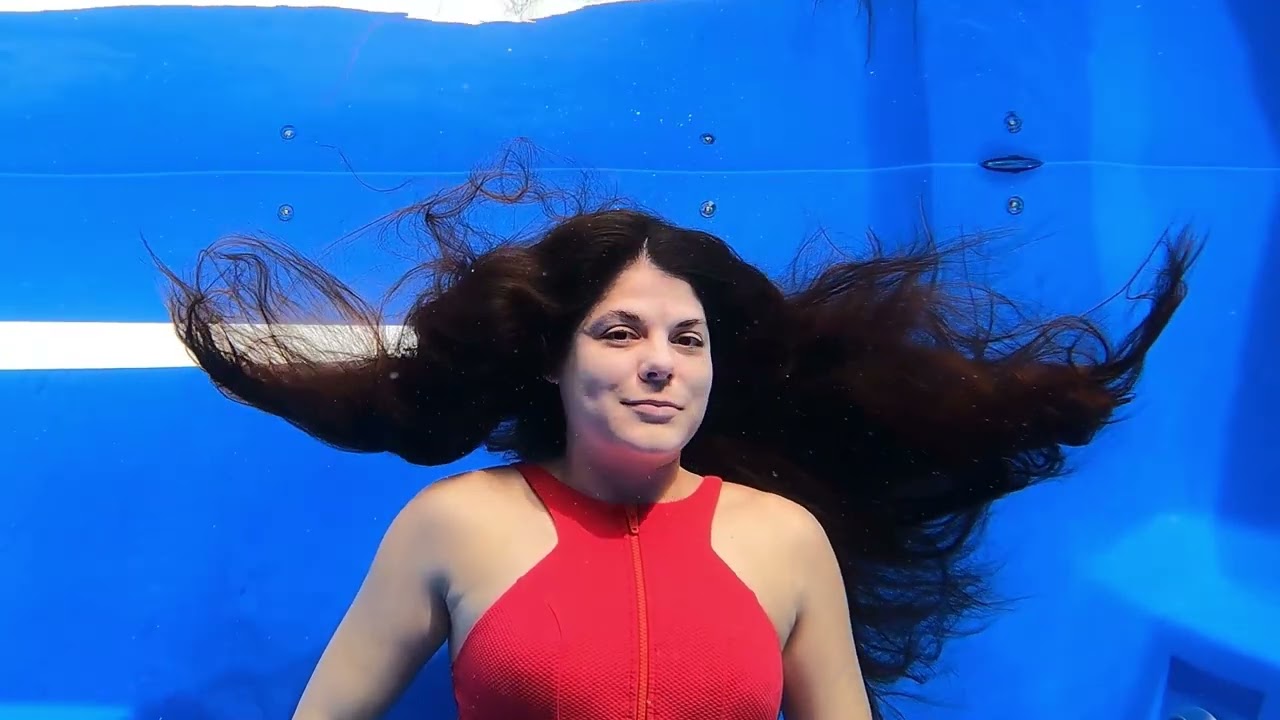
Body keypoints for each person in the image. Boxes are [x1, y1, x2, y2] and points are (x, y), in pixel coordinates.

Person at [154, 142, 1200, 720]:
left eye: (687, 339)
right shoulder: (453, 525)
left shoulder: (783, 539)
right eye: (619, 331)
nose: (659, 359)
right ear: (555, 358)